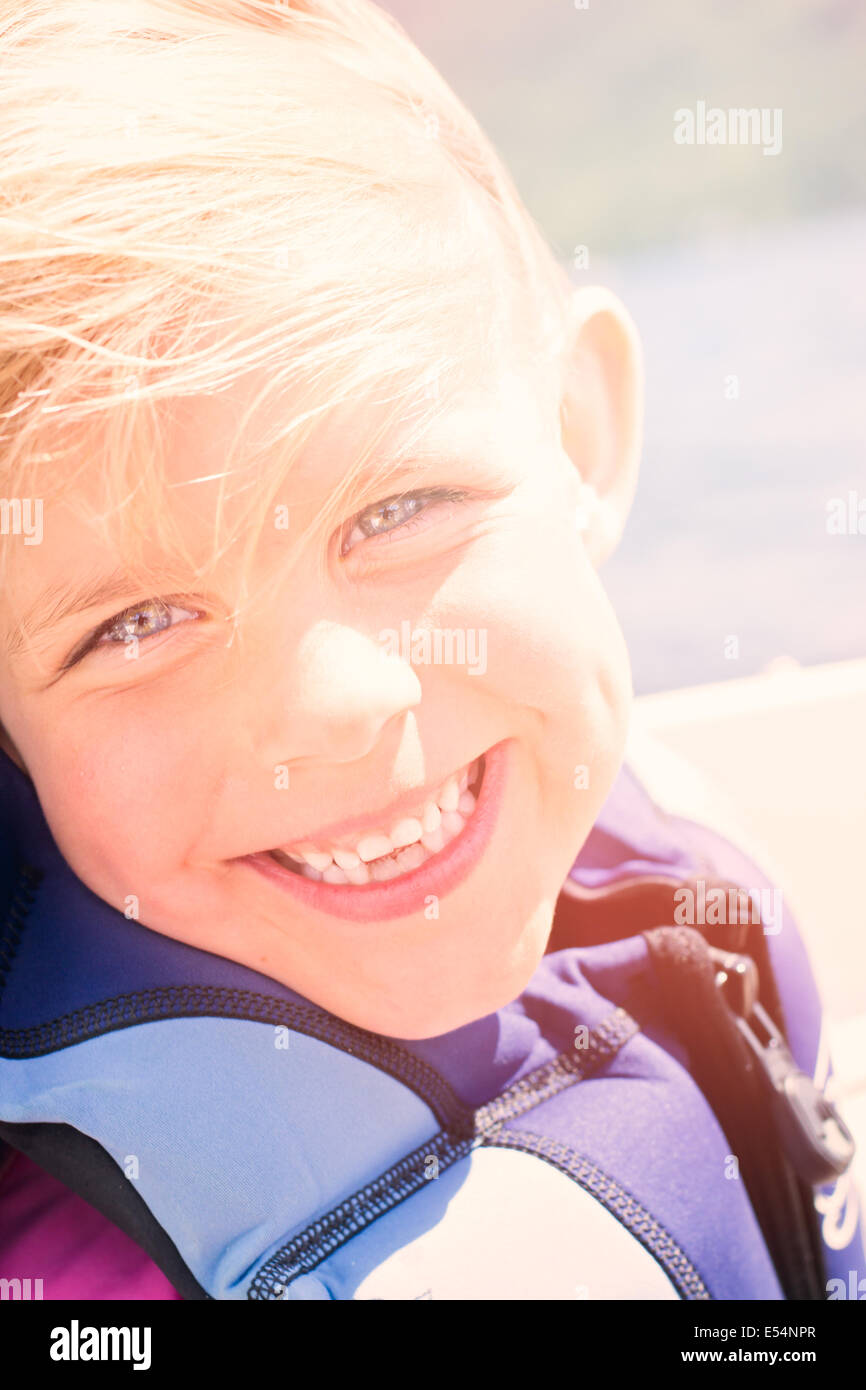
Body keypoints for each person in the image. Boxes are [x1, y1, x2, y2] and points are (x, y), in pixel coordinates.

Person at [0, 0, 861, 1300]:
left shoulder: (661, 842)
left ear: (576, 440)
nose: (338, 703)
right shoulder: (92, 1283)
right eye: (134, 623)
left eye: (396, 511)